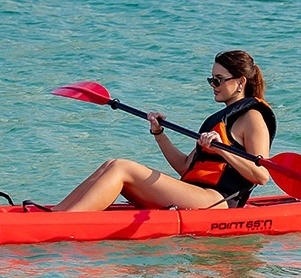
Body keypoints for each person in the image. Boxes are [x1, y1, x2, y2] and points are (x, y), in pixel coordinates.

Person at [53, 50, 276, 211]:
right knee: (111, 164)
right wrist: (159, 134)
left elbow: (261, 175)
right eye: (211, 79)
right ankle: (58, 212)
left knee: (122, 167)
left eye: (219, 80)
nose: (214, 85)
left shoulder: (253, 118)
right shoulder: (217, 120)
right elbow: (185, 167)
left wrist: (224, 150)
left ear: (240, 82)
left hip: (217, 202)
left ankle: (67, 221)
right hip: (193, 193)